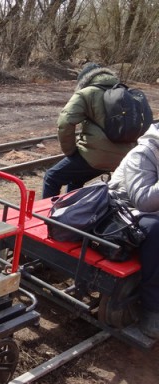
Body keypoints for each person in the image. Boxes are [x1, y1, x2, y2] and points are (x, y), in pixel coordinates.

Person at [42, 63, 136, 199]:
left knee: (52, 177)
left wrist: (70, 152)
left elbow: (65, 122)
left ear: (84, 80)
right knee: (76, 178)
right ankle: (70, 213)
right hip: (125, 157)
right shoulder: (125, 92)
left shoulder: (87, 93)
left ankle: (46, 219)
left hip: (96, 156)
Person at [108, 122, 159, 339]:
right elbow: (144, 201)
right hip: (123, 211)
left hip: (147, 211)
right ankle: (152, 307)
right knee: (156, 231)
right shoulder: (143, 153)